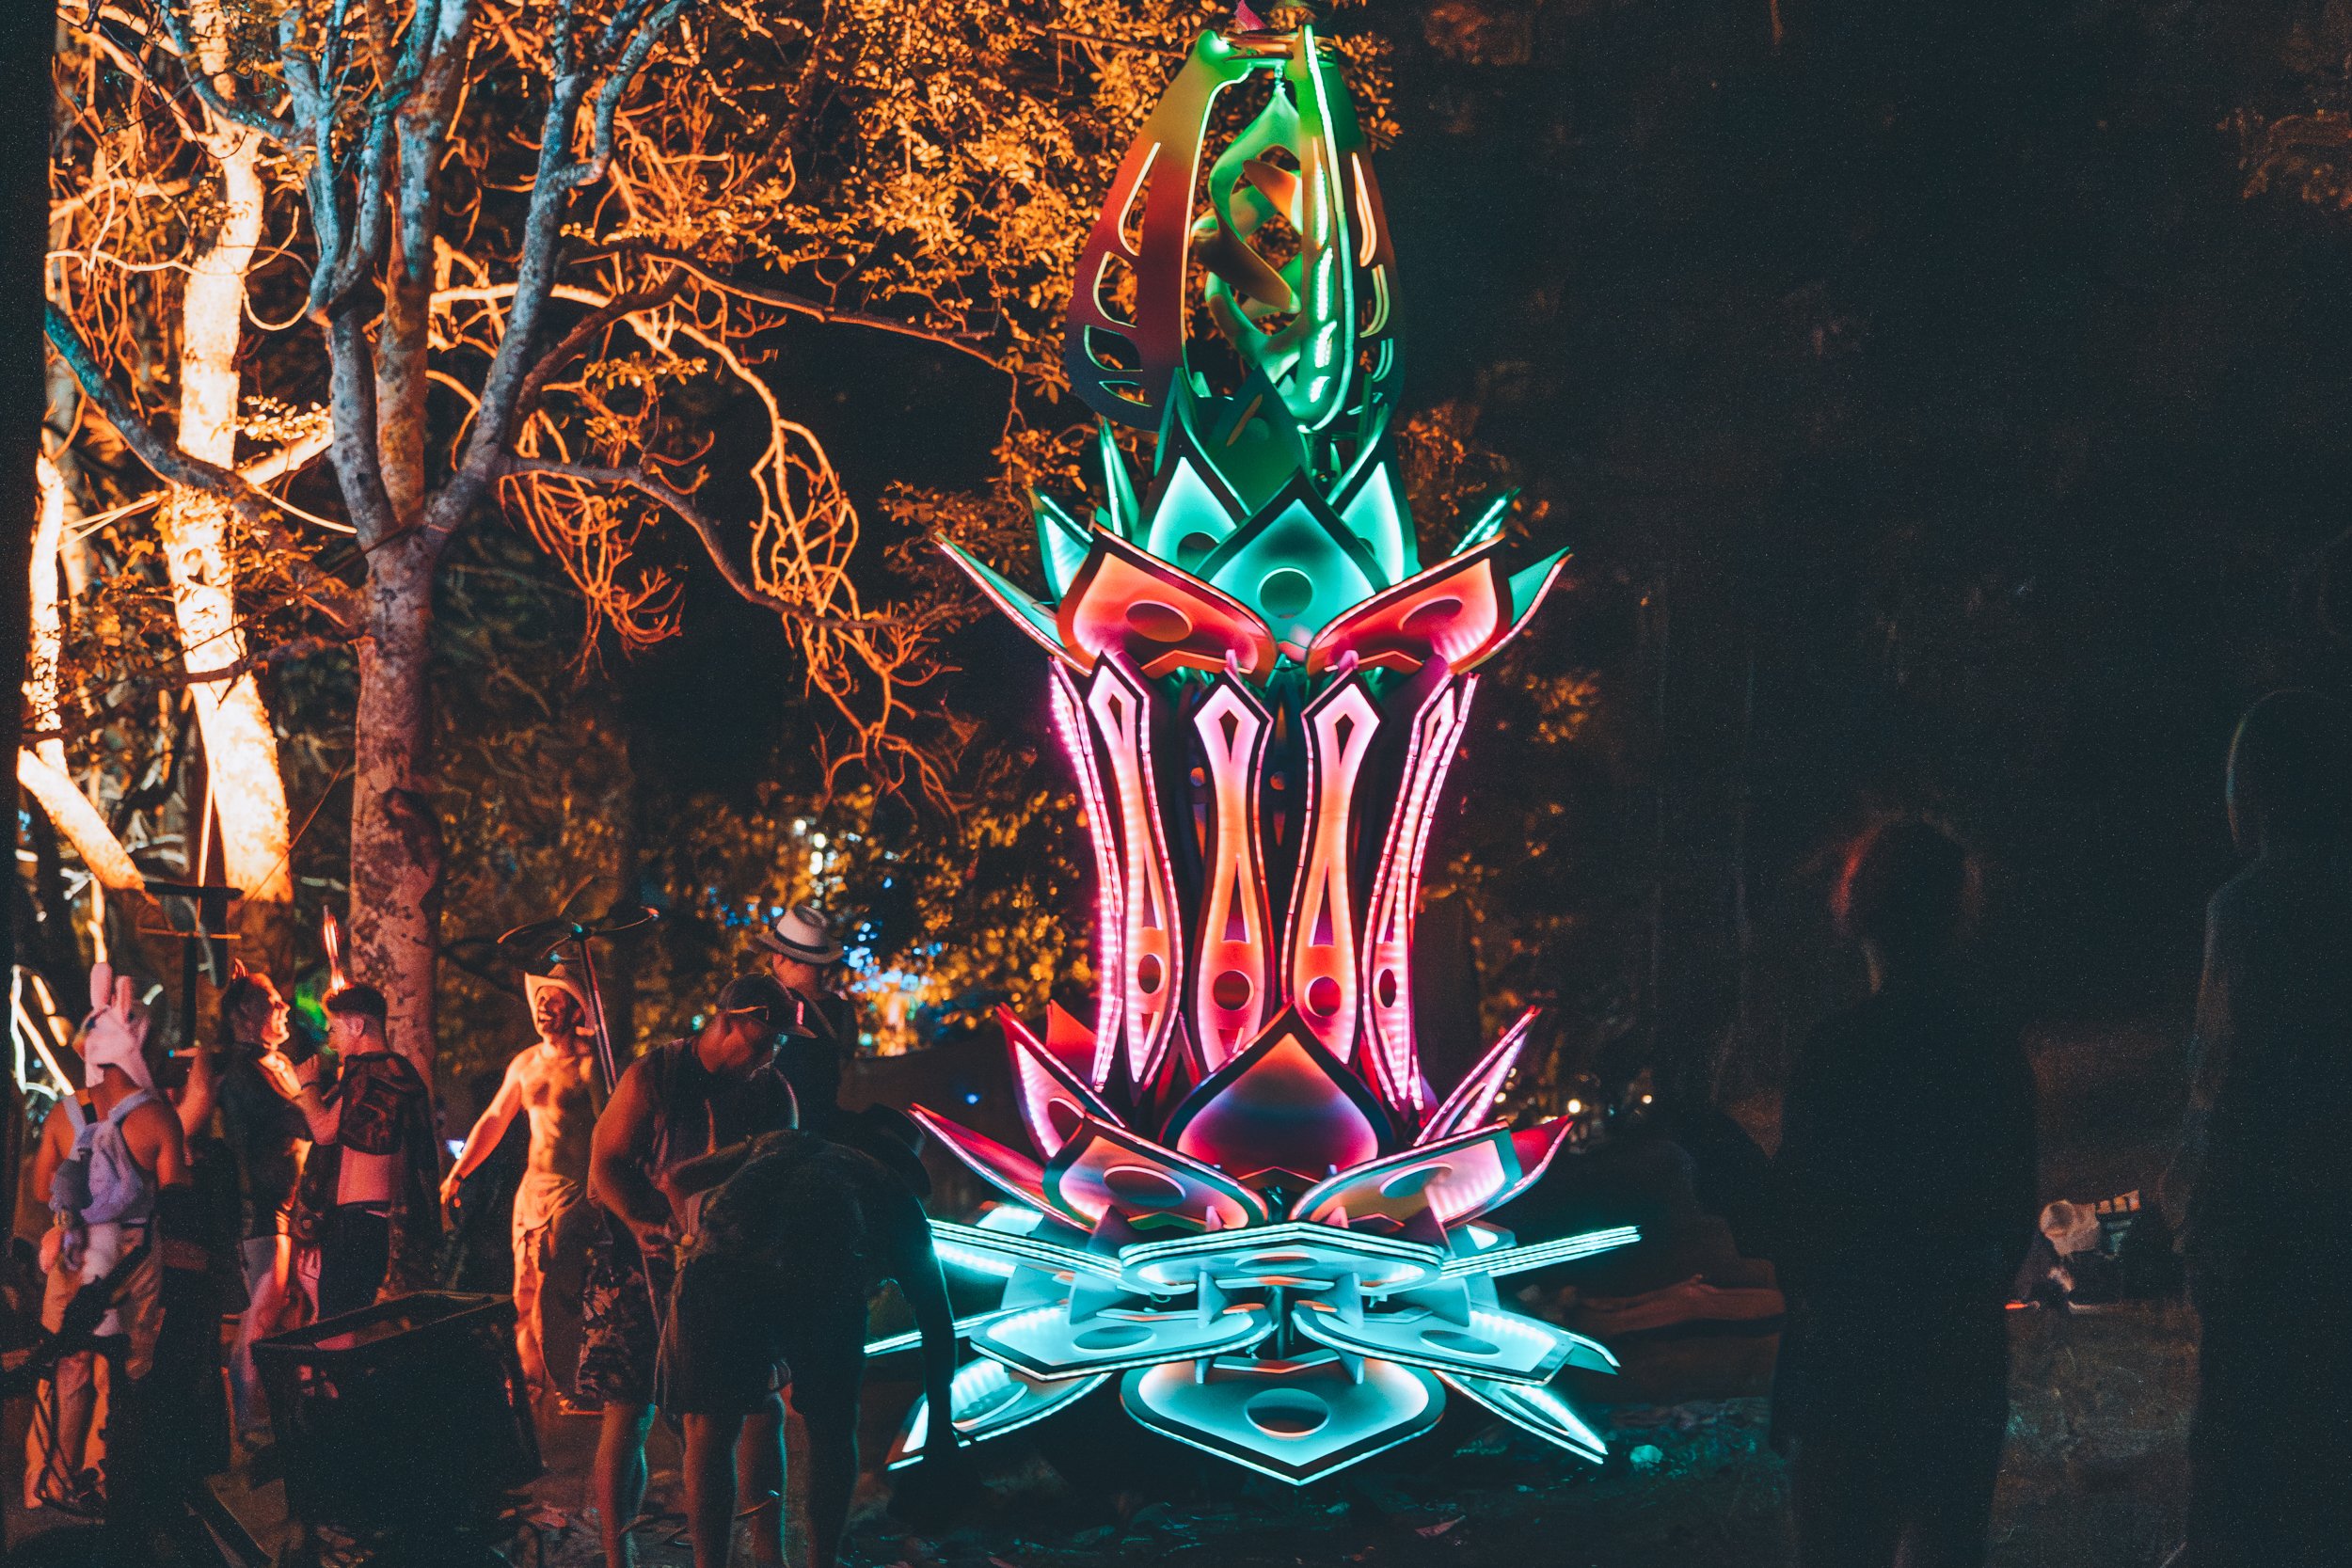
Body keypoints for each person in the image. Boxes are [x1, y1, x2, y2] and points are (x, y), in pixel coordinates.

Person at [1772, 818, 2038, 1568]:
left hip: (1849, 1358)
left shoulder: (1835, 1052)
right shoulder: (1987, 1047)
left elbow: (1797, 1215)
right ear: (1957, 915)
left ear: (1856, 912)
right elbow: (2012, 1207)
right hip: (1956, 1352)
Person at [2160, 689, 2352, 1566]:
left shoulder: (2247, 908)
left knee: (2240, 1420)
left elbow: (2223, 1079)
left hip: (2268, 1219)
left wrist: (2188, 1206)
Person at [580, 974, 804, 1568]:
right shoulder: (654, 1076)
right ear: (729, 1021)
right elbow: (605, 1159)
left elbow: (781, 1178)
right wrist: (638, 1220)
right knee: (627, 1408)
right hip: (636, 1263)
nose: (771, 1053)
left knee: (759, 1406)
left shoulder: (773, 1094)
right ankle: (618, 1555)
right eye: (763, 1039)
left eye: (780, 1042)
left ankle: (768, 1554)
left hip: (731, 1275)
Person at [663, 1128, 964, 1568]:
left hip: (715, 1272)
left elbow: (677, 1177)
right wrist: (941, 1423)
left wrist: (690, 1234)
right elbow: (937, 1321)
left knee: (711, 1430)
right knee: (832, 1430)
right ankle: (821, 1560)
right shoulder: (895, 1195)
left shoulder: (775, 1142)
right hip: (823, 1284)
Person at [23, 964, 188, 1515]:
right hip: (134, 1258)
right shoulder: (158, 1118)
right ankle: (107, 1478)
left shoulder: (63, 1113)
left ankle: (47, 1481)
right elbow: (177, 1194)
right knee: (124, 1369)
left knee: (63, 1364)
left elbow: (41, 1188)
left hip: (70, 1252)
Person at [441, 963, 601, 1405]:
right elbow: (495, 1118)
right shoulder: (526, 1063)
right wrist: (459, 1173)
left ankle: (565, 1383)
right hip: (531, 1193)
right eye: (539, 1000)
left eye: (554, 1000)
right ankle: (528, 1380)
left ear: (575, 1010)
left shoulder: (593, 1065)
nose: (543, 1008)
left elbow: (611, 1128)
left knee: (555, 1291)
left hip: (573, 1192)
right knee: (523, 1294)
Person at [262, 983, 441, 1317]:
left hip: (360, 1222)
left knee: (338, 1325)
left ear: (357, 1026)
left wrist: (309, 1085)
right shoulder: (387, 1075)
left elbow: (324, 1131)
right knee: (336, 1318)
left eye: (334, 1029)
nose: (331, 1042)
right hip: (361, 1221)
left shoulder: (374, 1076)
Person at [211, 969, 311, 1441]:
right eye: (272, 1002)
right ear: (244, 1015)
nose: (284, 1008)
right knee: (262, 1313)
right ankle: (249, 1422)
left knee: (281, 1313)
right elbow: (297, 1118)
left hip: (290, 1208)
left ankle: (276, 1411)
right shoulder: (243, 1071)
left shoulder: (277, 1063)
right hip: (261, 1209)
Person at [753, 905, 856, 1131]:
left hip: (777, 1133)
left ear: (780, 957)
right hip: (827, 1130)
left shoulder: (770, 1005)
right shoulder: (845, 1012)